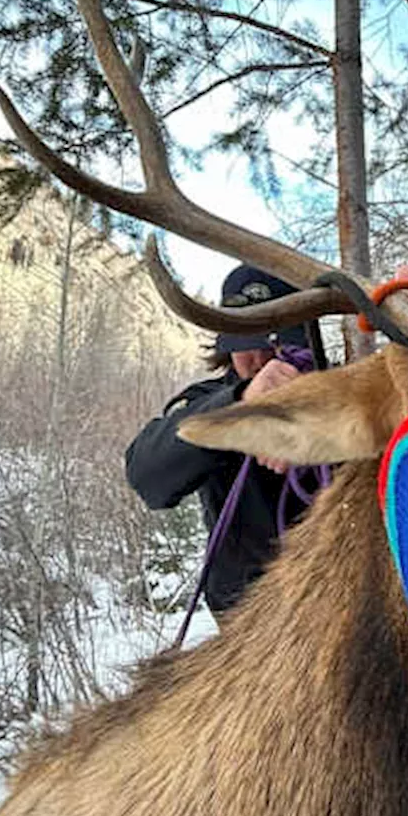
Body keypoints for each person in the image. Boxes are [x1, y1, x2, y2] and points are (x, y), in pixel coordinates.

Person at [125, 265, 328, 620]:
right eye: (246, 346)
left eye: (276, 345)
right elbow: (147, 474)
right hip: (249, 624)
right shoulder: (207, 400)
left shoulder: (338, 394)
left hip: (338, 604)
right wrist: (240, 407)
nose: (262, 359)